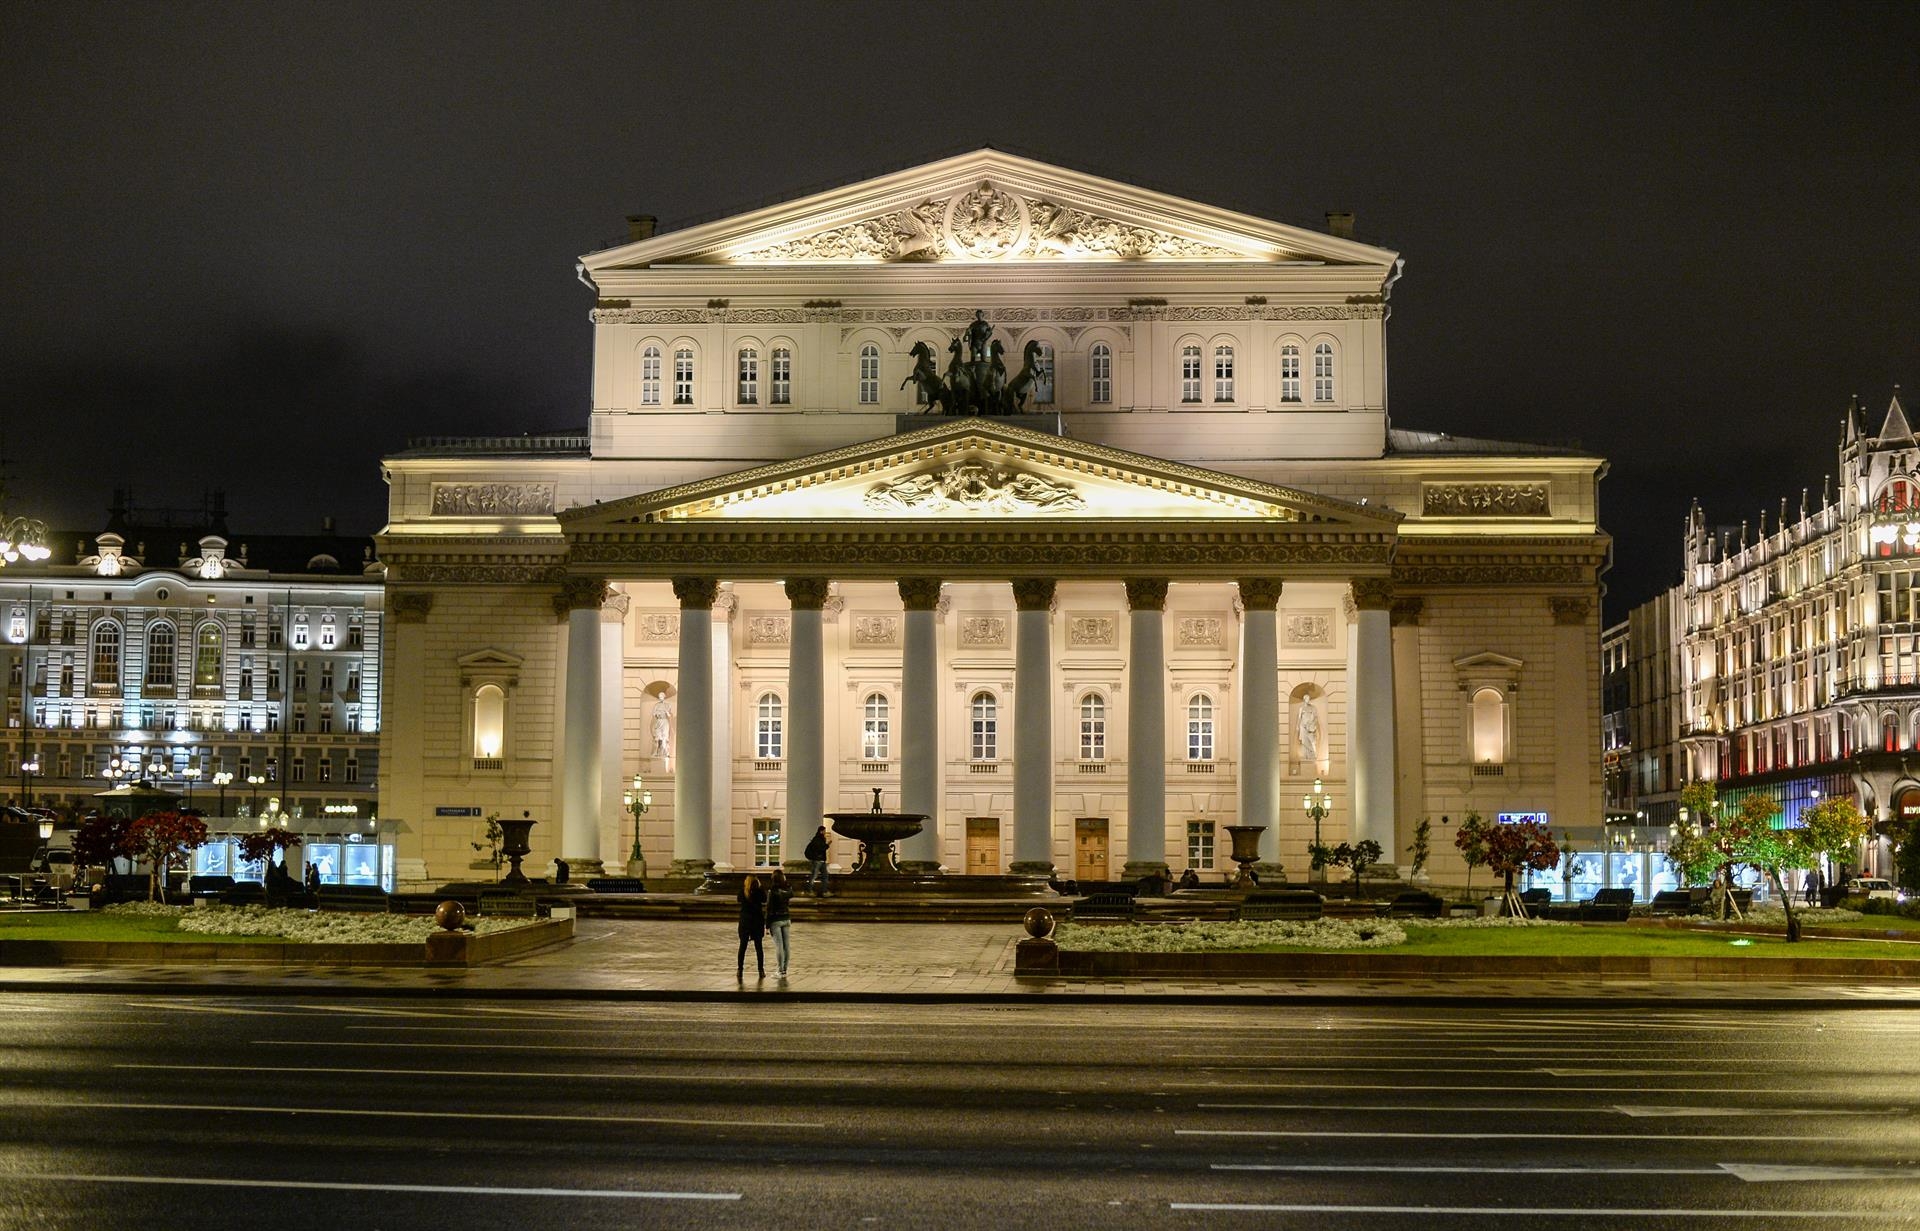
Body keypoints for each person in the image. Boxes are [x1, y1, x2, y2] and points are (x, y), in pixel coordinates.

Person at [736, 874, 768, 980]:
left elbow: (738, 899)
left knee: (742, 947)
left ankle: (740, 969)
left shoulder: (743, 892)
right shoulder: (759, 891)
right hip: (757, 921)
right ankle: (761, 970)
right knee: (759, 947)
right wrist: (760, 887)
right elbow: (764, 899)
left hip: (745, 921)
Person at [766, 869, 794, 978]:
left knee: (779, 946)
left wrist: (767, 925)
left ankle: (779, 969)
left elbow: (769, 908)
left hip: (776, 920)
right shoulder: (788, 890)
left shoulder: (772, 891)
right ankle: (784, 970)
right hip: (786, 918)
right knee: (786, 946)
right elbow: (791, 893)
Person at [805, 825, 832, 897]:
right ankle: (810, 890)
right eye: (824, 831)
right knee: (814, 875)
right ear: (821, 831)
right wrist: (827, 845)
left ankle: (824, 891)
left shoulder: (819, 839)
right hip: (818, 860)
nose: (825, 832)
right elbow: (820, 849)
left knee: (825, 876)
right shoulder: (817, 839)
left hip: (821, 860)